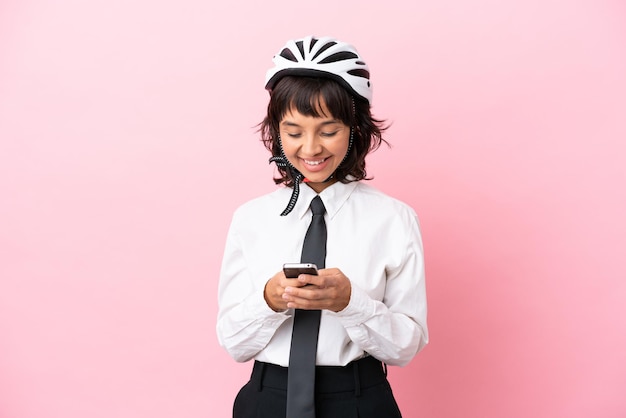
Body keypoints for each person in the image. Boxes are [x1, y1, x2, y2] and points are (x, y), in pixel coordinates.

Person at [216, 35, 428, 418]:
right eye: (294, 132)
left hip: (359, 399)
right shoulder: (250, 219)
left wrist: (351, 302)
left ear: (356, 129)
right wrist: (269, 299)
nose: (311, 149)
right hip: (267, 399)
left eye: (328, 131)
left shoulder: (394, 219)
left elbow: (406, 347)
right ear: (276, 132)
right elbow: (233, 343)